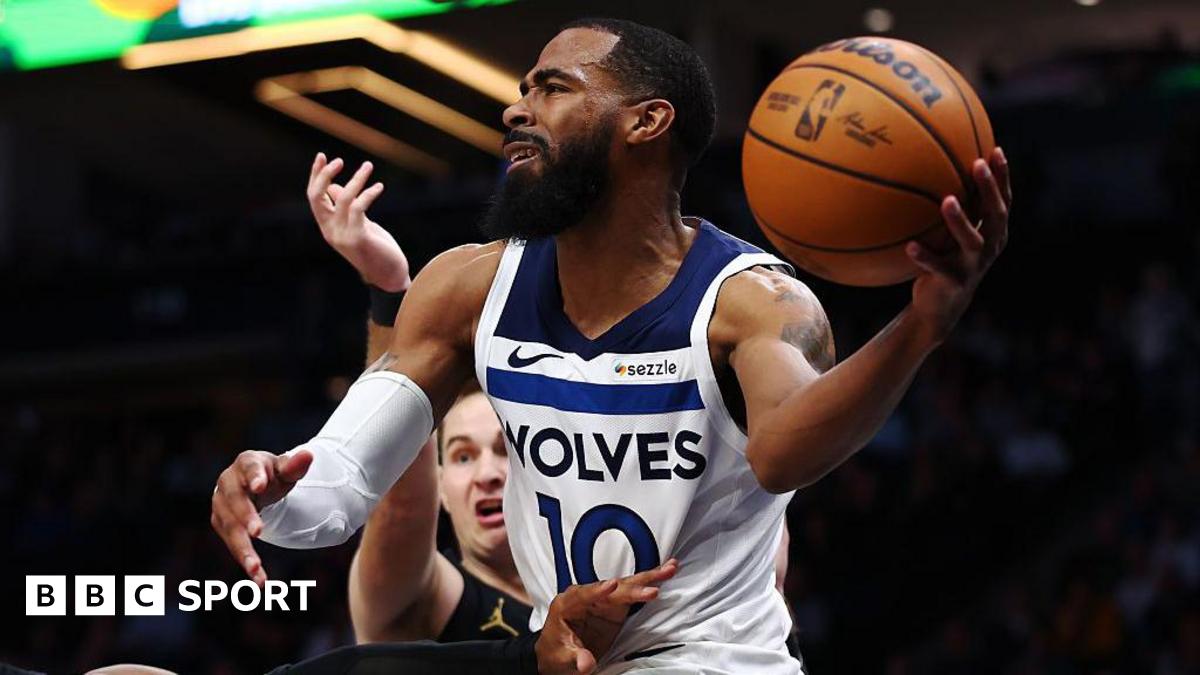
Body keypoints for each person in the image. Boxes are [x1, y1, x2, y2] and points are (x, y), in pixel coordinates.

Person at [211, 17, 1011, 673]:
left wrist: (919, 327)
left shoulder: (752, 302)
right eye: (523, 89)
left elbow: (782, 454)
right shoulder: (464, 288)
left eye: (553, 88)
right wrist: (271, 491)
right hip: (563, 652)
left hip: (711, 662)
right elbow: (338, 487)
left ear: (647, 120)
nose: (516, 109)